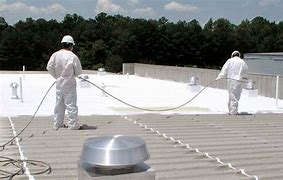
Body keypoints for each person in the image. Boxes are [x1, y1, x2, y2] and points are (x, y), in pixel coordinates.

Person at [47, 35, 82, 130]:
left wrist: (57, 77)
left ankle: (58, 124)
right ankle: (73, 125)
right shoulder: (73, 56)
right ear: (71, 45)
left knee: (59, 104)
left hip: (59, 83)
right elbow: (78, 72)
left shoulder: (55, 55)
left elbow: (49, 67)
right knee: (71, 105)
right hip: (69, 84)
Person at [216, 51, 248, 115]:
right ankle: (233, 112)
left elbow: (224, 69)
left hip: (230, 80)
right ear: (239, 55)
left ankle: (231, 110)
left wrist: (219, 77)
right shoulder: (242, 62)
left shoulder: (229, 61)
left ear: (232, 55)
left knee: (231, 95)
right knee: (235, 96)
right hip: (237, 81)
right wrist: (242, 76)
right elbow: (245, 71)